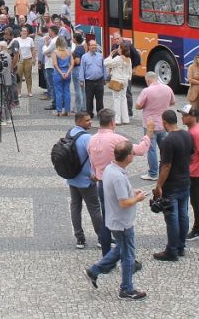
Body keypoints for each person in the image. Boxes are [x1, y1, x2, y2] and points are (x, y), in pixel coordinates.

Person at [84, 140, 149, 301]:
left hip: (114, 219)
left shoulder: (109, 169)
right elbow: (123, 202)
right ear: (128, 157)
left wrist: (131, 191)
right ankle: (126, 289)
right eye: (132, 153)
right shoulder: (119, 177)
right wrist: (137, 198)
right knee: (128, 255)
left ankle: (94, 270)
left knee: (121, 248)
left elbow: (117, 192)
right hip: (122, 223)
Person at [88, 109, 155, 257]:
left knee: (107, 219)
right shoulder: (117, 139)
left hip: (101, 183)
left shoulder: (92, 139)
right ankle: (126, 255)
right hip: (116, 182)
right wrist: (149, 133)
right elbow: (140, 150)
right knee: (121, 220)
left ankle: (107, 255)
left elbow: (91, 163)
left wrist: (96, 174)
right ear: (112, 122)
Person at [152, 109, 194, 262]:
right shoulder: (187, 135)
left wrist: (159, 186)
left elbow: (166, 166)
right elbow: (191, 155)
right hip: (185, 182)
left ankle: (172, 250)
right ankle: (181, 246)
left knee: (172, 217)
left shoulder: (168, 141)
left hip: (172, 186)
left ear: (164, 123)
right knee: (183, 215)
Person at [65, 112, 104, 251]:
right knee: (94, 208)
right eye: (87, 120)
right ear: (79, 121)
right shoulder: (87, 137)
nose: (90, 122)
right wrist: (96, 174)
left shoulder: (70, 133)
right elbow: (95, 157)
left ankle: (79, 238)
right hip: (86, 180)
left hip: (72, 177)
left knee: (75, 207)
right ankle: (101, 238)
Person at [135, 71, 176, 181]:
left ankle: (153, 173)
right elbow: (173, 102)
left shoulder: (146, 91)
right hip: (163, 124)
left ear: (148, 80)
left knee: (151, 149)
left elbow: (138, 106)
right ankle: (167, 170)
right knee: (164, 149)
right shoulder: (167, 88)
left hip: (150, 124)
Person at [181, 104, 199, 240]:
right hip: (193, 170)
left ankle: (198, 229)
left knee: (196, 201)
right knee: (193, 201)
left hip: (195, 173)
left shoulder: (196, 133)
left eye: (185, 115)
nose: (182, 117)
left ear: (193, 116)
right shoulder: (193, 130)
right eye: (182, 114)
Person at [104, 42, 133, 125]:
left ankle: (117, 120)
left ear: (122, 49)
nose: (118, 49)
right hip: (125, 81)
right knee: (123, 99)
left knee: (117, 99)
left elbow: (107, 63)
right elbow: (130, 71)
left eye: (119, 48)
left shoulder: (118, 58)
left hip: (117, 80)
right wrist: (128, 79)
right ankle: (125, 119)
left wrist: (110, 55)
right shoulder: (129, 59)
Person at [82, 38, 106, 117]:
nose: (94, 47)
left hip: (99, 80)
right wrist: (81, 80)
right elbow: (82, 69)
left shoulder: (100, 56)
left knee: (100, 99)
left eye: (95, 45)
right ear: (88, 46)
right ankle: (90, 113)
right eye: (92, 45)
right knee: (89, 99)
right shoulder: (84, 57)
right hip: (89, 81)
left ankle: (100, 113)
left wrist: (104, 78)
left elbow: (103, 67)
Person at [53, 37, 73, 117]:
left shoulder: (55, 52)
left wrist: (61, 73)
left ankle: (59, 111)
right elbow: (72, 64)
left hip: (58, 73)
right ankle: (68, 111)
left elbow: (55, 64)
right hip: (67, 72)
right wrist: (67, 72)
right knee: (67, 92)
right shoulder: (69, 52)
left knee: (58, 92)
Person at [14, 26, 35, 97]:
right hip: (20, 60)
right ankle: (19, 91)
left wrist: (34, 58)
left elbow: (33, 49)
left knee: (28, 76)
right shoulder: (16, 40)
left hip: (28, 59)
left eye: (25, 31)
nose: (24, 32)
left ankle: (29, 91)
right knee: (19, 76)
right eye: (23, 31)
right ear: (20, 32)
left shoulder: (30, 39)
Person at [42, 26, 60, 111]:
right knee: (54, 85)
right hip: (52, 63)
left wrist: (45, 44)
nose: (48, 33)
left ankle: (54, 103)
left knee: (52, 85)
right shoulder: (57, 39)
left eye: (49, 30)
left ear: (52, 31)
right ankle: (57, 102)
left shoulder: (53, 41)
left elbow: (45, 51)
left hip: (50, 65)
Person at [71, 33, 86, 114]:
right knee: (83, 90)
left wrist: (70, 62)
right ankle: (84, 107)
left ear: (75, 39)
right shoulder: (82, 48)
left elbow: (77, 61)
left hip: (77, 69)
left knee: (78, 90)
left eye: (73, 38)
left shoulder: (77, 49)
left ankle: (78, 108)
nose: (72, 39)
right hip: (82, 69)